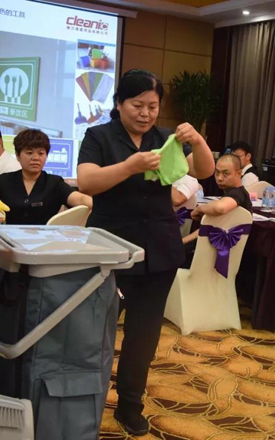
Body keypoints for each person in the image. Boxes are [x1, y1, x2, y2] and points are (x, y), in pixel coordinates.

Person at [76, 69, 214, 436]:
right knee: (96, 332)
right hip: (109, 250)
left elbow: (205, 170)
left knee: (144, 334)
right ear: (119, 103)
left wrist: (198, 140)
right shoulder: (99, 137)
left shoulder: (165, 138)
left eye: (152, 106)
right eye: (137, 105)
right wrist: (129, 167)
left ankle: (129, 405)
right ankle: (84, 402)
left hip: (158, 250)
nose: (145, 113)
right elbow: (87, 181)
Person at [0, 129, 92, 225]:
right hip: (8, 236)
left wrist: (98, 206)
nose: (35, 158)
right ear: (18, 155)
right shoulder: (4, 181)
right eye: (29, 153)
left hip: (45, 237)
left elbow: (80, 199)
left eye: (41, 153)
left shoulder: (54, 183)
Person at [182, 154, 253, 246]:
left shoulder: (237, 193)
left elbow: (220, 208)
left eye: (225, 173)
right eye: (217, 173)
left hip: (223, 247)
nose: (219, 178)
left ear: (239, 173)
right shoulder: (232, 192)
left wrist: (199, 209)